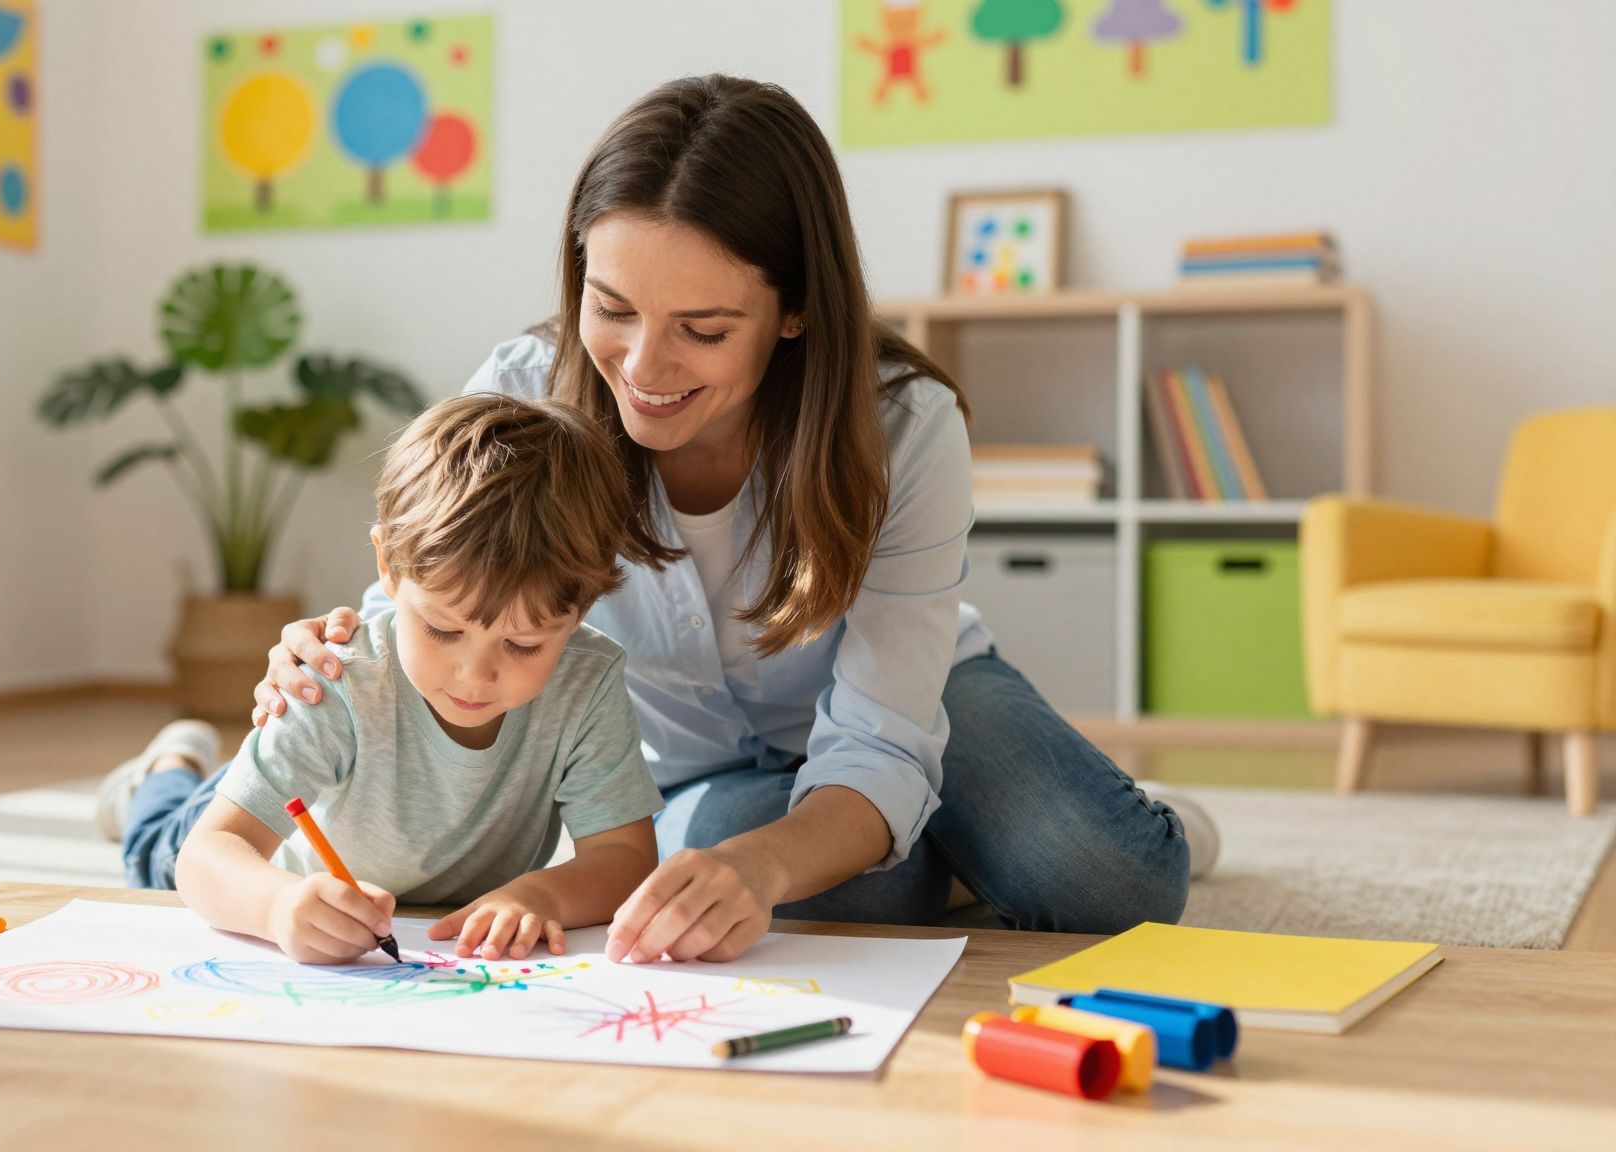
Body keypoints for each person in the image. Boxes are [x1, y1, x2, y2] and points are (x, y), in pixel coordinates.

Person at [246, 74, 1218, 964]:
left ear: (792, 309)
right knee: (739, 891)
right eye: (611, 307)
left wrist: (776, 861)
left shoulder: (901, 426)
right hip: (697, 769)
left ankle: (1065, 822)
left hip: (921, 706)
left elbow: (882, 730)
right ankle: (922, 846)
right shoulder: (522, 395)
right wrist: (334, 653)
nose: (641, 368)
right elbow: (438, 600)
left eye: (702, 331)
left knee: (1103, 881)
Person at [96, 393, 665, 964]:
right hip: (262, 857)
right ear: (388, 568)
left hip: (324, 785)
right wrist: (277, 907)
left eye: (524, 644)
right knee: (157, 851)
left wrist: (543, 892)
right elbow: (208, 854)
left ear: (583, 606)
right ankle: (165, 769)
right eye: (443, 630)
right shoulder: (338, 679)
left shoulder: (587, 681)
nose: (477, 674)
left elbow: (625, 855)